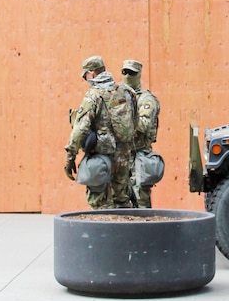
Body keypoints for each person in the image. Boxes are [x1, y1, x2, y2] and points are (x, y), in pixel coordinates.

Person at [64, 56, 136, 209]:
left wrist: (70, 157)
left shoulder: (93, 96)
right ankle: (125, 232)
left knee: (99, 202)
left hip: (100, 159)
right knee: (122, 200)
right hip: (124, 156)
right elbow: (134, 123)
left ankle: (104, 232)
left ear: (91, 74)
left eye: (85, 76)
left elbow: (80, 129)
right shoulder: (126, 92)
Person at [122, 59, 161, 208]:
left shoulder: (146, 100)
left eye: (131, 73)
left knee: (140, 200)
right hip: (122, 156)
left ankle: (145, 229)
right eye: (124, 72)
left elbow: (143, 125)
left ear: (138, 74)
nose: (127, 75)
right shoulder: (118, 96)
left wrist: (121, 120)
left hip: (139, 155)